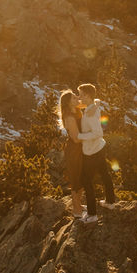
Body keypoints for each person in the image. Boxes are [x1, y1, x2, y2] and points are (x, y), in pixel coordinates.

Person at [75, 82, 116, 223]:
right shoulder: (92, 107)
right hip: (99, 148)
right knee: (104, 174)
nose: (79, 97)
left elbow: (98, 132)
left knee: (86, 180)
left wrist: (80, 136)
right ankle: (110, 202)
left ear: (87, 96)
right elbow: (95, 100)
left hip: (91, 151)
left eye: (80, 95)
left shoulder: (91, 113)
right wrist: (96, 103)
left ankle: (92, 215)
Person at [58, 89, 85, 218]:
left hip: (82, 148)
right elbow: (76, 138)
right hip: (74, 150)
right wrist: (92, 136)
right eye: (74, 98)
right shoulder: (69, 116)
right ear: (69, 103)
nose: (78, 99)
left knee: (83, 178)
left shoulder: (76, 110)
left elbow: (88, 102)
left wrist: (81, 97)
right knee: (76, 180)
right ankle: (76, 210)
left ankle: (78, 204)